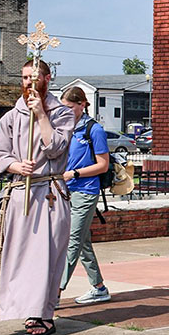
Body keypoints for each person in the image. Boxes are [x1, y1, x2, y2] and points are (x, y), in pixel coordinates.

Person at [0, 59, 74, 335]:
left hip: (49, 193)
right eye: (25, 77)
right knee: (20, 257)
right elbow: (0, 153)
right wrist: (16, 166)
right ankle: (24, 309)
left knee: (46, 257)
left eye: (34, 77)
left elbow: (56, 148)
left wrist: (41, 116)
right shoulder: (11, 116)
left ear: (47, 78)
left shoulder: (62, 113)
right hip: (20, 195)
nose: (28, 82)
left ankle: (44, 314)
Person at [58, 87, 111, 305]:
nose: (67, 112)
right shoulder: (65, 129)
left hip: (86, 191)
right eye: (64, 108)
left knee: (73, 241)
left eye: (70, 107)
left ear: (82, 104)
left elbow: (103, 165)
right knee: (82, 242)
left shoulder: (94, 130)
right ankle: (99, 287)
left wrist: (75, 173)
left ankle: (55, 291)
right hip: (66, 190)